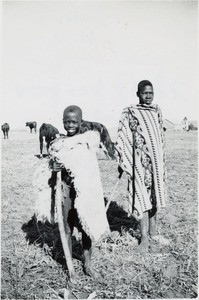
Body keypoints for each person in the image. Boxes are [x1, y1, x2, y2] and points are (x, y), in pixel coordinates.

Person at [49, 105, 109, 282]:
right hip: (66, 191)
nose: (70, 125)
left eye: (74, 121)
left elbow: (94, 165)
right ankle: (70, 267)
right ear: (62, 122)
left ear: (81, 122)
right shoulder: (59, 144)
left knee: (86, 228)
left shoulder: (87, 142)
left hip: (85, 193)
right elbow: (51, 166)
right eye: (66, 121)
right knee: (66, 228)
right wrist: (53, 167)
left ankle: (88, 265)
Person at [115, 80, 168, 252]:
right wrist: (124, 160)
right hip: (139, 162)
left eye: (151, 93)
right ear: (137, 93)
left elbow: (159, 137)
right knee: (142, 197)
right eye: (145, 93)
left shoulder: (157, 111)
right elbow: (123, 135)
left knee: (154, 196)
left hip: (156, 164)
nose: (148, 96)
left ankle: (153, 232)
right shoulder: (131, 112)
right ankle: (144, 238)